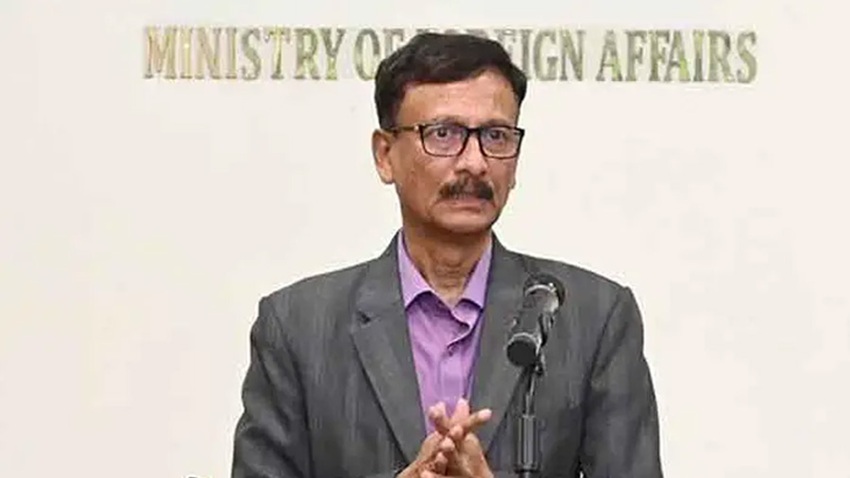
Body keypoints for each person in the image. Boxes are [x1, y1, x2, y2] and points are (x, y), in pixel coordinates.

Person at [231, 32, 663, 478]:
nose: (475, 162)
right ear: (385, 155)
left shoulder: (592, 318)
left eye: (495, 136)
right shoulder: (299, 327)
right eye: (444, 134)